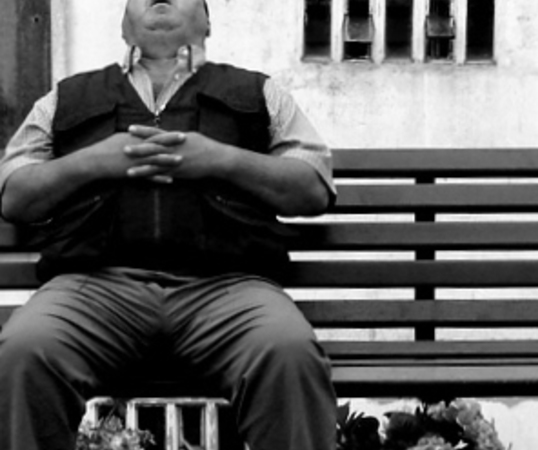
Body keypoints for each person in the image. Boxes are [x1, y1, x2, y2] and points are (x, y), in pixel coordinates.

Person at [0, 1, 338, 449]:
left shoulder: (259, 92)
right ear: (124, 26)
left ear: (207, 21)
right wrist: (95, 161)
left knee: (289, 352)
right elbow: (14, 195)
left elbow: (313, 187)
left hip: (228, 290)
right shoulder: (66, 97)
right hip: (96, 289)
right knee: (24, 351)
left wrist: (219, 159)